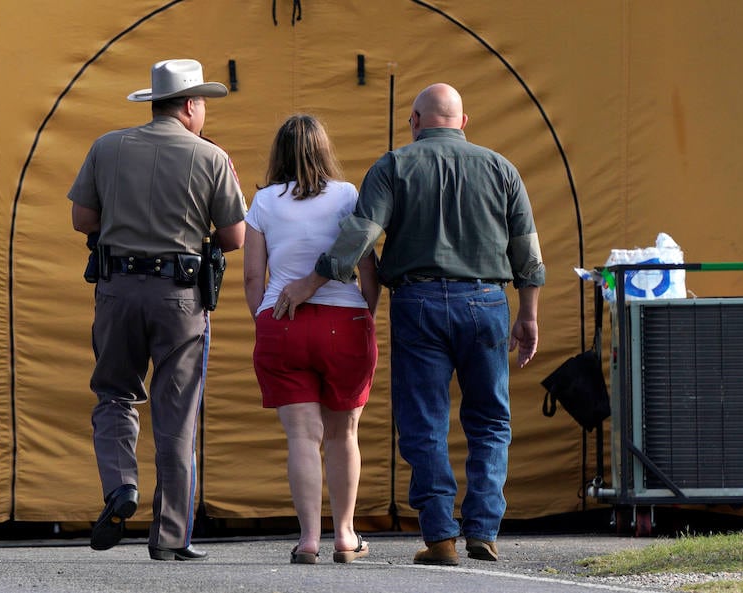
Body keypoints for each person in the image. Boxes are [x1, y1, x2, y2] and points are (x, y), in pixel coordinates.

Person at [276, 84, 544, 566]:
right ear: (464, 122)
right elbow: (526, 250)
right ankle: (483, 528)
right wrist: (528, 314)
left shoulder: (393, 166)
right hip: (487, 300)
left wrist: (312, 283)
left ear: (415, 121)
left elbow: (362, 234)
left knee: (424, 422)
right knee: (489, 419)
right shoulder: (503, 169)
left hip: (418, 303)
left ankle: (440, 535)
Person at [68, 59, 247, 561]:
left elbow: (83, 218)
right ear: (191, 105)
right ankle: (170, 537)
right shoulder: (210, 158)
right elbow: (234, 237)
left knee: (114, 394)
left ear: (155, 102)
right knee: (177, 415)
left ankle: (120, 486)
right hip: (181, 297)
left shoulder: (107, 147)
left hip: (117, 290)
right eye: (203, 102)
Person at [243, 114, 380, 564]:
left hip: (284, 320)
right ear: (324, 149)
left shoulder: (262, 202)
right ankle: (345, 534)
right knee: (344, 434)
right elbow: (367, 268)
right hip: (346, 321)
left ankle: (308, 540)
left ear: (277, 154)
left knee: (302, 437)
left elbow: (252, 276)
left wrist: (266, 320)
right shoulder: (348, 196)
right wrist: (367, 313)